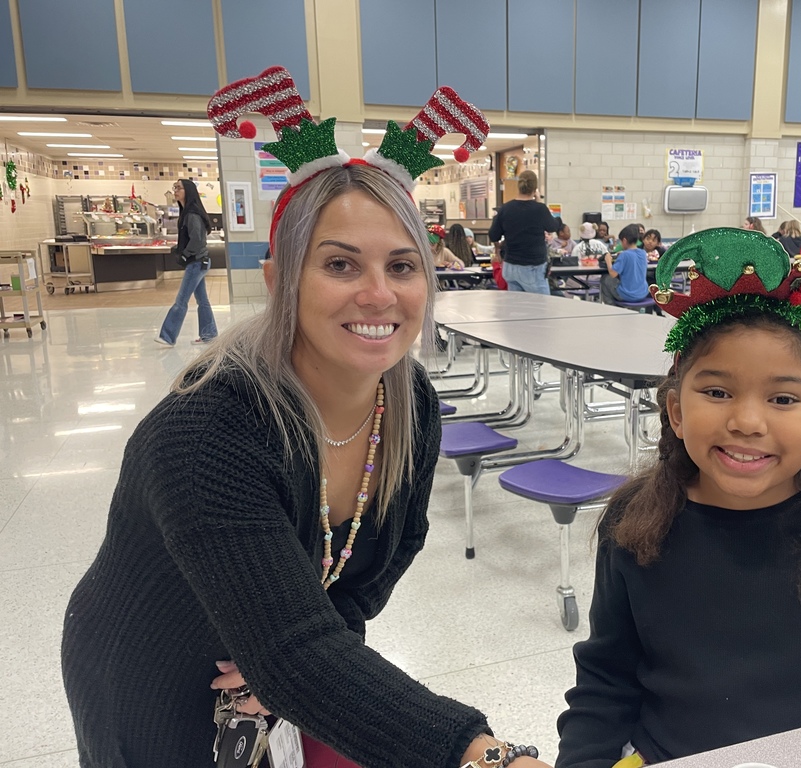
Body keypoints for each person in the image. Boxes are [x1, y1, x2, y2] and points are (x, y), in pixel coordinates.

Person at [63, 72, 548, 768]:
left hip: (284, 667)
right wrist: (485, 756)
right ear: (280, 280)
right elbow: (295, 650)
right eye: (340, 264)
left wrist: (307, 652)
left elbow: (391, 551)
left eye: (402, 265)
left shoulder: (408, 400)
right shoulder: (206, 431)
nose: (378, 293)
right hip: (153, 673)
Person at [556, 228, 801, 767]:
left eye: (783, 399)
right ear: (676, 412)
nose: (747, 422)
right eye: (717, 392)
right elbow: (606, 679)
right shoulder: (633, 523)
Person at [155, 178, 218, 345]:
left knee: (181, 300)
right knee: (202, 301)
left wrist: (185, 254)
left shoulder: (192, 214)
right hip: (200, 262)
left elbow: (197, 239)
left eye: (179, 188)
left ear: (188, 191)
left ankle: (167, 336)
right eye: (174, 187)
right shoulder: (188, 213)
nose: (175, 191)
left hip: (196, 263)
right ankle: (209, 334)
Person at [489, 170, 559, 293]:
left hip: (510, 266)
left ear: (519, 186)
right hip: (532, 267)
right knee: (541, 304)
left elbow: (493, 235)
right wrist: (539, 201)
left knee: (517, 304)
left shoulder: (505, 209)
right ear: (535, 189)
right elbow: (552, 226)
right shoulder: (539, 209)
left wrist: (498, 249)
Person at [599, 223, 649, 305]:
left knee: (605, 278)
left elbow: (613, 274)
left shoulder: (624, 255)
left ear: (624, 241)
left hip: (628, 295)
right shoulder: (643, 253)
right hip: (643, 293)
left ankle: (611, 306)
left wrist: (608, 261)